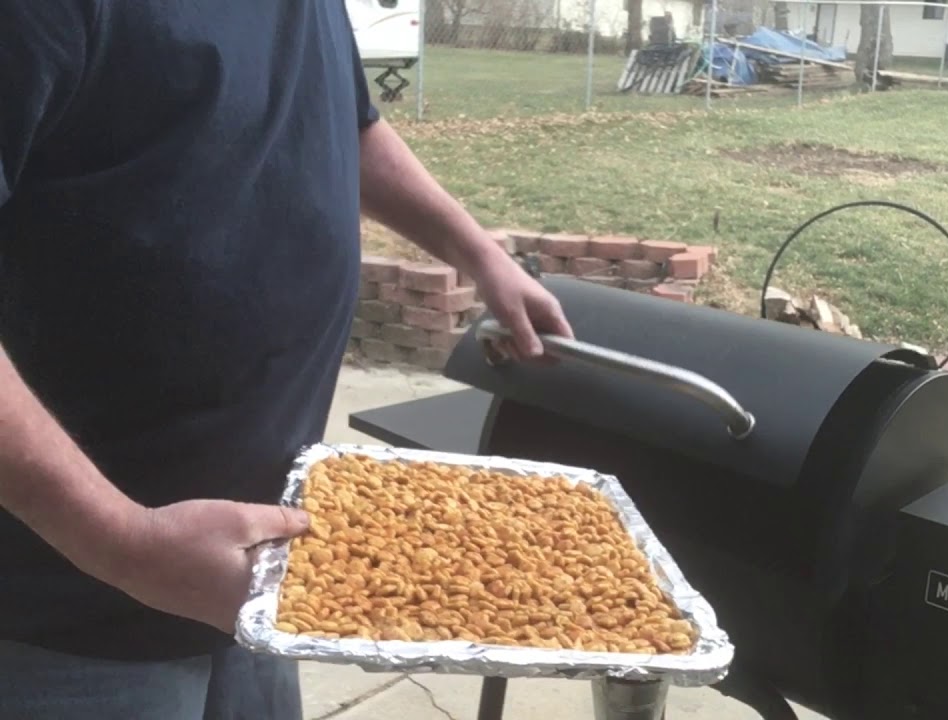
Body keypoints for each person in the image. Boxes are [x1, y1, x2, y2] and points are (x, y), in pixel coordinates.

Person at [0, 2, 573, 718]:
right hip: (63, 616)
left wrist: (478, 252)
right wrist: (124, 544)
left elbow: (347, 124)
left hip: (261, 567)